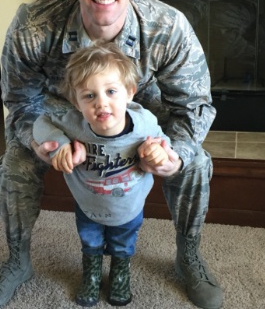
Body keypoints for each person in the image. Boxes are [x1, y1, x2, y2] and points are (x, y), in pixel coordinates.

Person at [0, 0, 223, 309]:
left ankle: (188, 254)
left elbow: (193, 106)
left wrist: (172, 151)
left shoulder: (168, 26)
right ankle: (17, 260)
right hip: (61, 114)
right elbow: (21, 104)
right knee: (14, 165)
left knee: (194, 162)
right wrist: (49, 143)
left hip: (141, 113)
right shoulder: (32, 26)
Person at [33, 42, 170, 306]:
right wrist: (58, 143)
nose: (101, 103)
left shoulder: (144, 123)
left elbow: (164, 141)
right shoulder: (73, 123)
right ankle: (92, 273)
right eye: (89, 96)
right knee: (90, 242)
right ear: (76, 102)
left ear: (130, 93)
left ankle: (120, 272)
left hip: (129, 206)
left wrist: (159, 153)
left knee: (123, 244)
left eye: (110, 91)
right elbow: (41, 122)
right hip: (88, 204)